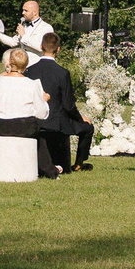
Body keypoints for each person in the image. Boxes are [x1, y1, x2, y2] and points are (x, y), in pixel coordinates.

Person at [31, 31, 92, 175]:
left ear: (41, 46)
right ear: (58, 49)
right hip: (57, 123)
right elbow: (69, 105)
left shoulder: (30, 71)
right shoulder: (62, 73)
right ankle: (78, 164)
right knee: (88, 128)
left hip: (35, 120)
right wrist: (80, 118)